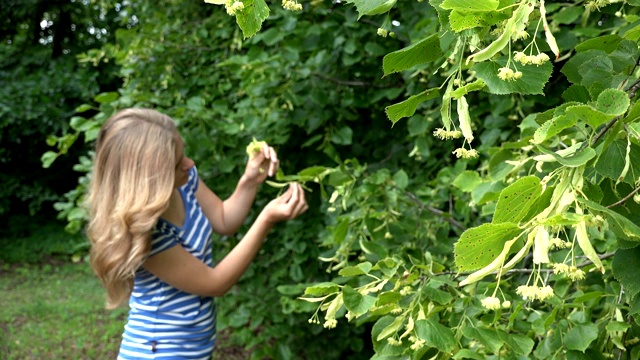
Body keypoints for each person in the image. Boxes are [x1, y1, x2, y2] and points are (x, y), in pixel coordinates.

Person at [85, 108, 308, 359]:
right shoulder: (146, 234)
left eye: (184, 153)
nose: (189, 164)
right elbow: (215, 283)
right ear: (151, 179)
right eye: (178, 162)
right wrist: (266, 219)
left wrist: (249, 181)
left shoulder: (184, 180)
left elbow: (224, 219)